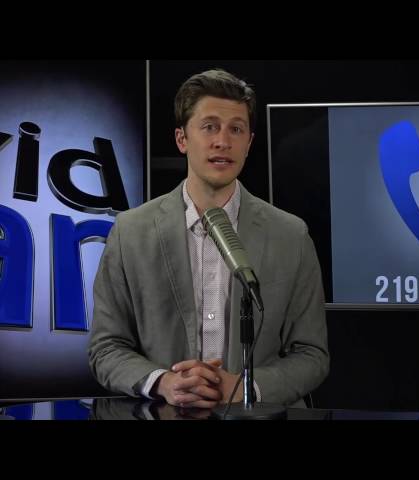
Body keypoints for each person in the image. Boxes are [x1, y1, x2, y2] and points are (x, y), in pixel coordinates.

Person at [88, 68, 329, 409]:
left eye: (236, 129)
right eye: (210, 126)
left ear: (249, 143)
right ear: (182, 139)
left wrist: (247, 387)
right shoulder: (130, 232)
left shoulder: (291, 235)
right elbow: (106, 347)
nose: (223, 142)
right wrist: (165, 382)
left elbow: (312, 354)